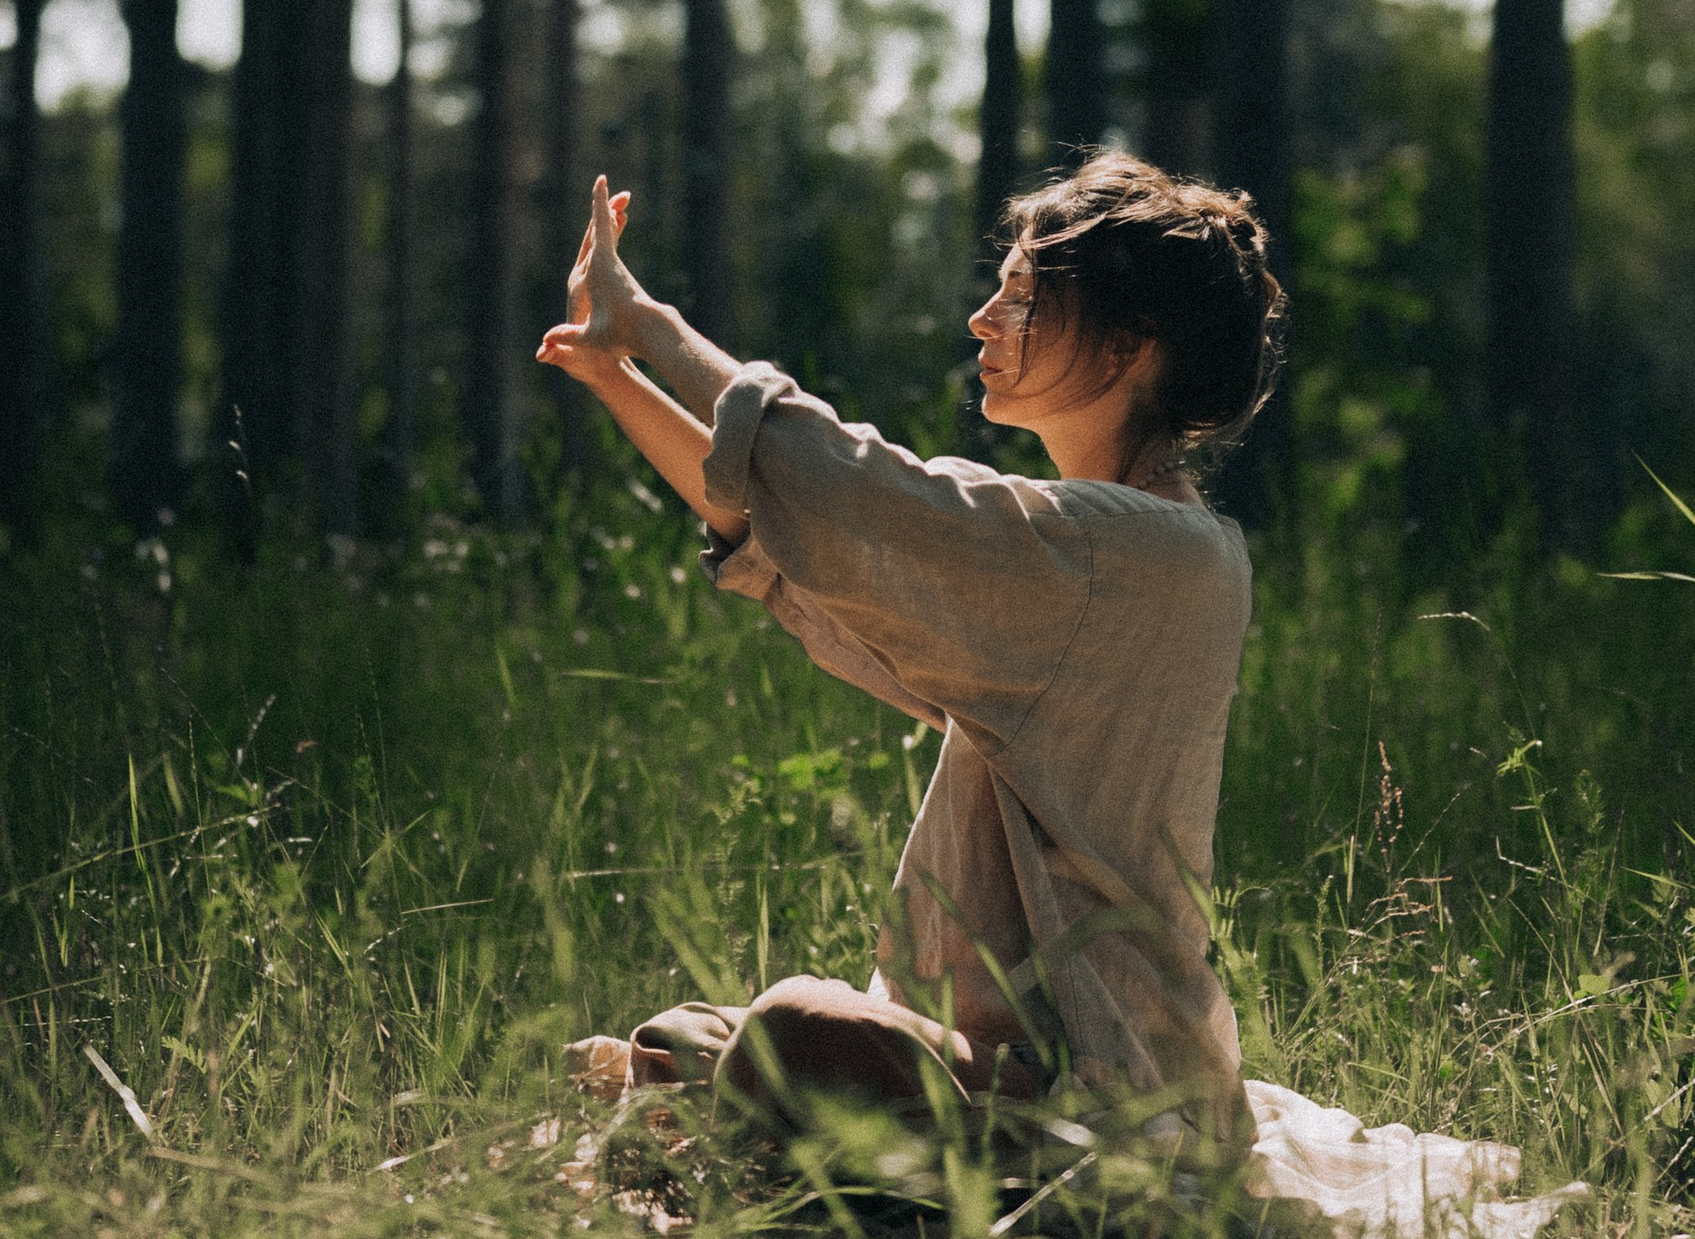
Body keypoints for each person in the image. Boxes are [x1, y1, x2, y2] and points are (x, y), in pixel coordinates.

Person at [537, 151, 1280, 1151]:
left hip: (1095, 1085)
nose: (983, 317)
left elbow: (864, 498)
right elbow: (810, 559)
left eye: (1024, 296)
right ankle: (723, 1095)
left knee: (793, 1028)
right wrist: (615, 373)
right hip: (976, 1055)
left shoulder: (1141, 554)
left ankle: (727, 1106)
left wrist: (651, 326)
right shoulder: (1122, 545)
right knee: (714, 1034)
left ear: (1125, 346)